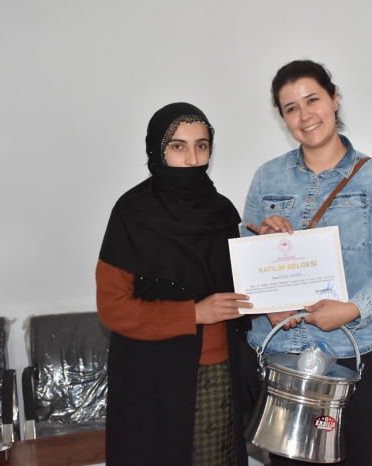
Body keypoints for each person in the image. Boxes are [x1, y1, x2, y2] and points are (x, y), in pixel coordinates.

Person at [242, 60, 372, 466]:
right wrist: (267, 288)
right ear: (283, 117)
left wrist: (350, 310)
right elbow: (247, 269)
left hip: (356, 350)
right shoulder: (266, 178)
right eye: (291, 108)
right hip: (281, 354)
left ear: (334, 99)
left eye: (312, 100)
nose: (305, 115)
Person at [96, 102, 251, 466]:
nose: (192, 159)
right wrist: (193, 314)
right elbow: (113, 309)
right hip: (152, 379)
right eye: (178, 146)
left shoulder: (222, 212)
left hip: (219, 374)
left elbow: (240, 290)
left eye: (202, 145)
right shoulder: (132, 214)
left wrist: (271, 246)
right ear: (157, 150)